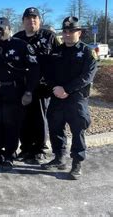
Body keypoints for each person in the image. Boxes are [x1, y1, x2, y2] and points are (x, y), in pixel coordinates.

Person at [42, 16, 97, 180]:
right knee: (55, 128)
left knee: (77, 130)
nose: (67, 34)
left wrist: (67, 89)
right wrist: (56, 88)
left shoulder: (87, 52)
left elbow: (87, 76)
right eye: (65, 31)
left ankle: (77, 163)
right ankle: (59, 158)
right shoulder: (57, 51)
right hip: (58, 97)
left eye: (71, 31)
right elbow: (48, 73)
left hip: (76, 98)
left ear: (79, 32)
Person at [0, 17, 39, 170]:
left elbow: (34, 70)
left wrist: (28, 92)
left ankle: (9, 154)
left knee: (12, 124)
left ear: (9, 28)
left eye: (2, 29)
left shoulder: (21, 46)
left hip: (15, 92)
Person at [13, 7, 61, 164]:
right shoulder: (17, 38)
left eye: (34, 18)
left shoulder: (49, 37)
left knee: (40, 119)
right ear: (23, 21)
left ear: (40, 20)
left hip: (42, 87)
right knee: (23, 118)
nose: (31, 21)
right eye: (28, 18)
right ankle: (26, 148)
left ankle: (39, 149)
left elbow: (58, 60)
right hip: (22, 86)